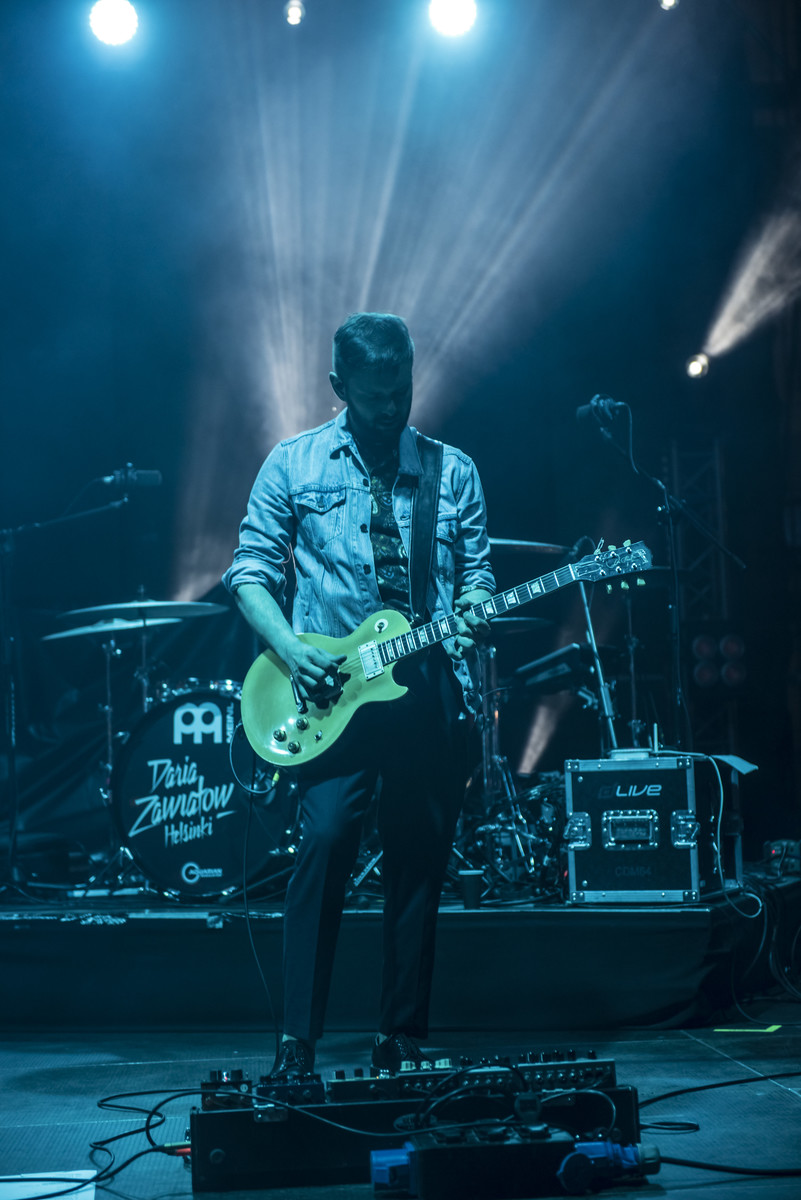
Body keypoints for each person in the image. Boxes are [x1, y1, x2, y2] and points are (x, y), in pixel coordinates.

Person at [223, 312, 495, 1077]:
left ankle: (400, 1037)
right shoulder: (293, 463)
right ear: (338, 385)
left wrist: (474, 610)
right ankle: (295, 1043)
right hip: (331, 693)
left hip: (425, 689)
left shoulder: (452, 471)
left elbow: (476, 574)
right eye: (374, 395)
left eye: (400, 391)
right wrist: (291, 649)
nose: (390, 408)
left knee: (417, 861)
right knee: (326, 841)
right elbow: (248, 572)